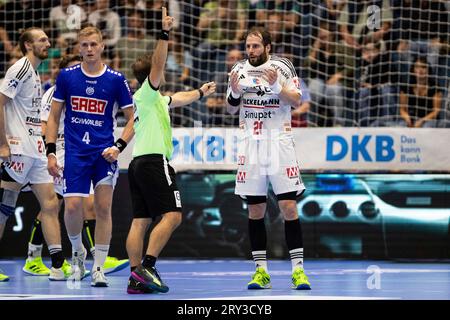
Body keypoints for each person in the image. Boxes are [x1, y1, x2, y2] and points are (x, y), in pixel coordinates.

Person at [125, 7, 216, 294]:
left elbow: (180, 97)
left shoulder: (153, 101)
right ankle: (147, 267)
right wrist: (165, 32)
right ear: (151, 74)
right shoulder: (149, 92)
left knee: (140, 221)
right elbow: (159, 65)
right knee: (173, 215)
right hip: (154, 161)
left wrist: (201, 92)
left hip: (138, 163)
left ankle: (134, 276)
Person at [22, 54, 128, 277]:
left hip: (81, 150)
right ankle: (39, 257)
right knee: (56, 204)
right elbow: (45, 123)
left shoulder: (104, 83)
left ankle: (90, 257)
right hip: (61, 151)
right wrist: (50, 153)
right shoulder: (56, 91)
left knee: (69, 205)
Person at [46, 26, 135, 287]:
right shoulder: (66, 77)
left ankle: (98, 268)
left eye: (93, 44)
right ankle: (77, 253)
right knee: (72, 207)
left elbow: (133, 119)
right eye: (84, 45)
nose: (89, 49)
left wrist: (118, 145)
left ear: (102, 45)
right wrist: (51, 152)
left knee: (102, 208)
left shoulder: (116, 80)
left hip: (104, 154)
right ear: (79, 47)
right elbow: (52, 117)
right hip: (74, 153)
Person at [226, 26, 311, 290]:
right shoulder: (238, 69)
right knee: (255, 210)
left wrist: (275, 85)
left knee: (289, 208)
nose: (250, 51)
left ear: (267, 47)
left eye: (255, 46)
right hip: (251, 145)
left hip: (279, 144)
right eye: (248, 46)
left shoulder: (283, 66)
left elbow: (296, 101)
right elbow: (230, 108)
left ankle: (298, 271)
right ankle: (261, 272)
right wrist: (235, 91)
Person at [0, 28, 62, 282]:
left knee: (50, 203)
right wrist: (3, 144)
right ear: (27, 45)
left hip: (34, 151)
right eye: (42, 40)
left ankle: (58, 265)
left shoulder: (35, 73)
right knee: (4, 208)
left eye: (48, 39)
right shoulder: (21, 68)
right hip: (17, 150)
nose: (48, 43)